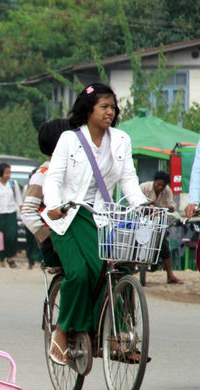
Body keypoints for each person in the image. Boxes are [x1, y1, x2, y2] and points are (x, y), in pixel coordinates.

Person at [43, 83, 145, 365]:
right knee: (78, 274)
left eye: (113, 107)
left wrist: (141, 205)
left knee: (117, 269)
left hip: (102, 217)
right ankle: (62, 332)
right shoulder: (69, 139)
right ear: (88, 110)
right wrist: (53, 205)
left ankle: (115, 335)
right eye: (104, 106)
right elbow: (53, 177)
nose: (110, 112)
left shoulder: (121, 140)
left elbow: (128, 180)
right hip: (69, 215)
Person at [20, 119, 71, 273]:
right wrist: (49, 237)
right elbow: (28, 212)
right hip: (58, 242)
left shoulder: (74, 173)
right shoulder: (43, 175)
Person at [140, 171, 182, 284]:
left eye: (162, 186)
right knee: (134, 240)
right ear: (154, 181)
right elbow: (136, 203)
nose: (160, 187)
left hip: (158, 222)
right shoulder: (144, 187)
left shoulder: (167, 191)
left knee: (164, 244)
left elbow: (171, 204)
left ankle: (170, 275)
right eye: (158, 184)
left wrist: (170, 207)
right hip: (142, 220)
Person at [0, 163, 22, 268]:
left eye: (9, 172)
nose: (8, 175)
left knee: (11, 236)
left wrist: (23, 214)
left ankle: (10, 256)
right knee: (1, 238)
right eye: (6, 173)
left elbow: (19, 200)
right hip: (0, 215)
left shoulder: (13, 184)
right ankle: (2, 258)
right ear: (1, 173)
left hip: (11, 214)